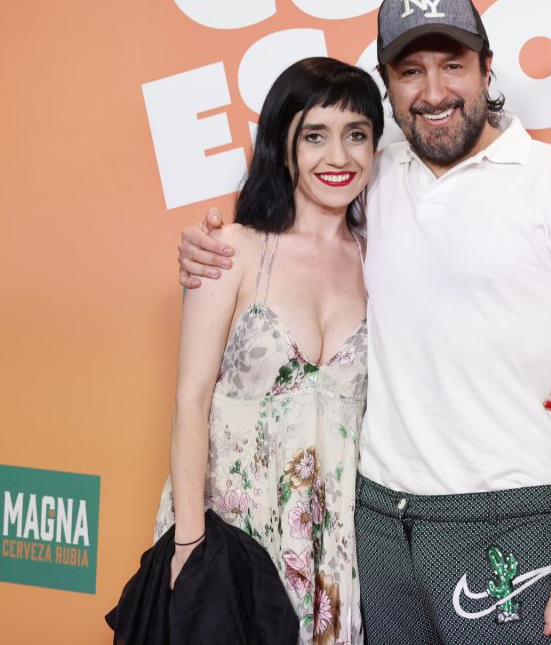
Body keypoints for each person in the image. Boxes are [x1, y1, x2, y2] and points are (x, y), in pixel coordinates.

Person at [177, 0, 551, 645]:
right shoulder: (371, 176)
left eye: (452, 65)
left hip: (514, 516)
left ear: (487, 68)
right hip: (374, 523)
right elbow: (293, 223)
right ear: (387, 85)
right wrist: (207, 244)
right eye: (409, 72)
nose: (433, 91)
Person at [153, 56, 385, 645]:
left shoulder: (382, 262)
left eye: (357, 134)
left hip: (335, 547)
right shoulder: (230, 251)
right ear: (283, 146)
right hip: (232, 533)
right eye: (315, 136)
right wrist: (189, 544)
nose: (339, 157)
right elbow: (190, 401)